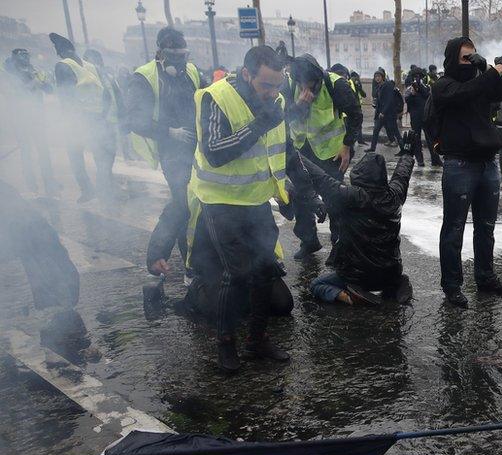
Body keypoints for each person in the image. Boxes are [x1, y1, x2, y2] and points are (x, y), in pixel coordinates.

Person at [187, 45, 294, 373]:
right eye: (266, 85)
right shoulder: (216, 97)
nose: (273, 92)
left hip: (255, 199)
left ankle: (257, 341)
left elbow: (283, 148)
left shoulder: (275, 99)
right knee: (236, 275)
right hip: (221, 202)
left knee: (264, 271)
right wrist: (259, 124)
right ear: (247, 74)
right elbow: (215, 151)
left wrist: (299, 195)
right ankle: (225, 344)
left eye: (278, 85)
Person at [430, 36, 502, 308]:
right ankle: (452, 287)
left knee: (486, 227)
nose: (471, 62)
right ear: (452, 58)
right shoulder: (443, 85)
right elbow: (466, 92)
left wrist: (493, 71)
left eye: (474, 56)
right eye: (466, 57)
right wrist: (492, 70)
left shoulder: (480, 80)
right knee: (454, 229)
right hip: (459, 164)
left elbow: (501, 93)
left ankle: (485, 277)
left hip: (487, 162)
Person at [126, 27, 204, 277]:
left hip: (197, 147)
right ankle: (187, 263)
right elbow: (135, 120)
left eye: (184, 55)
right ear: (161, 53)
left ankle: (195, 258)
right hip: (171, 150)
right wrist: (170, 132)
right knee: (184, 203)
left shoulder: (190, 71)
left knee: (198, 202)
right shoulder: (145, 77)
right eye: (175, 55)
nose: (181, 61)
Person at [309, 134, 417, 306]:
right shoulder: (394, 195)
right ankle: (395, 285)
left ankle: (348, 295)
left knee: (317, 285)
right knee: (390, 275)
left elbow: (322, 179)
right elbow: (401, 175)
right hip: (391, 270)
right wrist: (407, 154)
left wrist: (296, 156)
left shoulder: (353, 197)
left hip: (358, 275)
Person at [284, 55, 363, 261]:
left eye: (309, 84)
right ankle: (308, 241)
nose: (304, 88)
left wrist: (347, 146)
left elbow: (355, 115)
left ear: (318, 78)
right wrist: (299, 105)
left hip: (332, 152)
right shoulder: (289, 85)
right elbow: (282, 116)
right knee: (301, 198)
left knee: (335, 198)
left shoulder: (335, 84)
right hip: (302, 150)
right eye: (300, 83)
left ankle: (339, 246)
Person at [50, 33, 115, 203]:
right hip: (98, 118)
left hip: (79, 120)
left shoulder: (62, 65)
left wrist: (68, 120)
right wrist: (102, 115)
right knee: (101, 156)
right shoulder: (92, 67)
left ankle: (87, 190)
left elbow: (67, 96)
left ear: (60, 52)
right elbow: (106, 94)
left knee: (75, 156)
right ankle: (104, 190)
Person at [1, 48, 56, 195]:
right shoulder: (8, 74)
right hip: (20, 118)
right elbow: (17, 93)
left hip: (37, 117)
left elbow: (49, 89)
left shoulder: (34, 70)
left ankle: (50, 184)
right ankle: (31, 184)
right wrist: (35, 82)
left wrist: (43, 82)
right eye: (22, 55)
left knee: (43, 151)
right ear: (14, 58)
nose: (25, 58)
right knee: (26, 151)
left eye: (27, 55)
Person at [404, 66, 441, 169]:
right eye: (415, 76)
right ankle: (420, 160)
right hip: (415, 117)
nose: (417, 78)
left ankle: (435, 159)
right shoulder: (409, 89)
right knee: (416, 139)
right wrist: (412, 94)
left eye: (419, 76)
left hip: (426, 117)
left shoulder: (426, 86)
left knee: (431, 140)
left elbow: (428, 95)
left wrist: (420, 87)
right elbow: (407, 101)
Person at [368, 68, 403, 152]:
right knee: (376, 130)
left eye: (379, 76)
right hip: (381, 114)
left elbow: (389, 100)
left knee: (396, 132)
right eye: (375, 77)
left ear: (383, 77)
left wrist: (383, 112)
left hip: (388, 114)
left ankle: (404, 149)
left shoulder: (387, 85)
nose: (377, 78)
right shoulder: (379, 86)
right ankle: (372, 148)